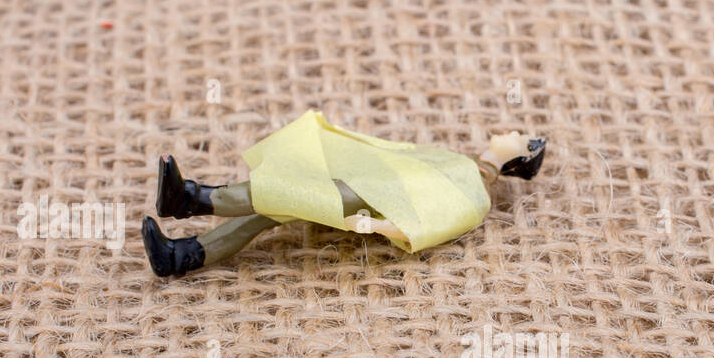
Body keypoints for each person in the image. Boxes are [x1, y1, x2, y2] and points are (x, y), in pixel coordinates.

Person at [142, 110, 547, 277]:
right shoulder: (460, 164)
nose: (510, 132)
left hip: (363, 197)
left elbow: (429, 225)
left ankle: (191, 198)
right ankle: (181, 256)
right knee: (267, 213)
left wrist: (377, 224)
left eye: (520, 138)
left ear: (520, 156)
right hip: (360, 177)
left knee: (283, 194)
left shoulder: (476, 196)